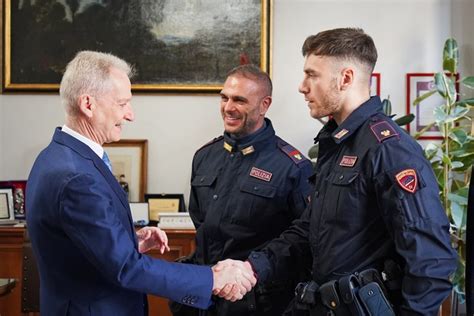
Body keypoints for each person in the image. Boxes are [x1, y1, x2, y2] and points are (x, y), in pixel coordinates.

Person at [217, 28, 458, 315]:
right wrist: (253, 267)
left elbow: (432, 261)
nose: (302, 86)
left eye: (312, 75)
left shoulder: (389, 150)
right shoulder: (338, 144)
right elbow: (310, 231)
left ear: (345, 78)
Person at [26, 51, 256, 315]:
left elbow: (79, 243)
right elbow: (126, 268)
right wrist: (212, 279)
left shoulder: (57, 156)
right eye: (123, 103)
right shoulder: (77, 177)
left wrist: (130, 242)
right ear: (88, 105)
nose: (130, 115)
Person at [171, 64, 314, 316]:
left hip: (256, 303)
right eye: (224, 98)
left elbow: (302, 240)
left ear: (264, 104)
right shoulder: (205, 156)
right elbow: (201, 225)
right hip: (203, 297)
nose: (228, 107)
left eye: (239, 100)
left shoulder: (292, 167)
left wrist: (252, 269)